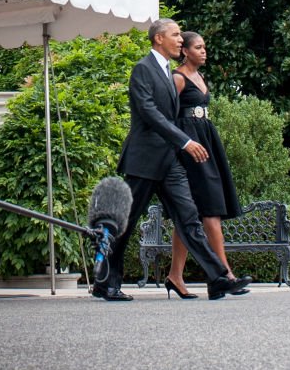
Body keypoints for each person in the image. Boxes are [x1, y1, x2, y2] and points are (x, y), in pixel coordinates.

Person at [96, 19, 252, 301]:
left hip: (169, 160)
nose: (181, 39)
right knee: (126, 222)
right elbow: (149, 111)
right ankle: (105, 282)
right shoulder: (143, 69)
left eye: (181, 35)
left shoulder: (168, 71)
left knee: (189, 218)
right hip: (144, 159)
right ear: (158, 39)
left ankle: (218, 278)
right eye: (175, 35)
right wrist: (185, 140)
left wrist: (181, 145)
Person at [164, 31, 250, 299]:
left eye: (204, 47)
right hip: (189, 149)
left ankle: (175, 276)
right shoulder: (177, 78)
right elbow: (166, 118)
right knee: (210, 210)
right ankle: (225, 275)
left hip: (207, 143)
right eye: (198, 47)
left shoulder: (200, 78)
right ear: (185, 51)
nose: (204, 51)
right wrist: (180, 148)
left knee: (187, 216)